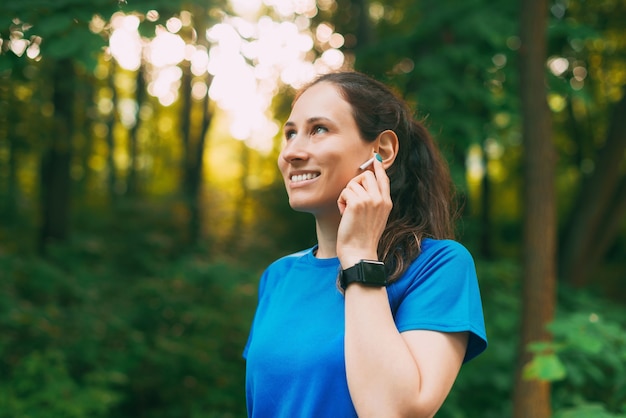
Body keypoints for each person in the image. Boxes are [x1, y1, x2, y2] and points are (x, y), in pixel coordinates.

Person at [243, 71, 487, 417]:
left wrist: (359, 257)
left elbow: (395, 412)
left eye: (319, 129)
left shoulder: (438, 266)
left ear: (382, 151)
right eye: (290, 134)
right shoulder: (279, 276)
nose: (293, 152)